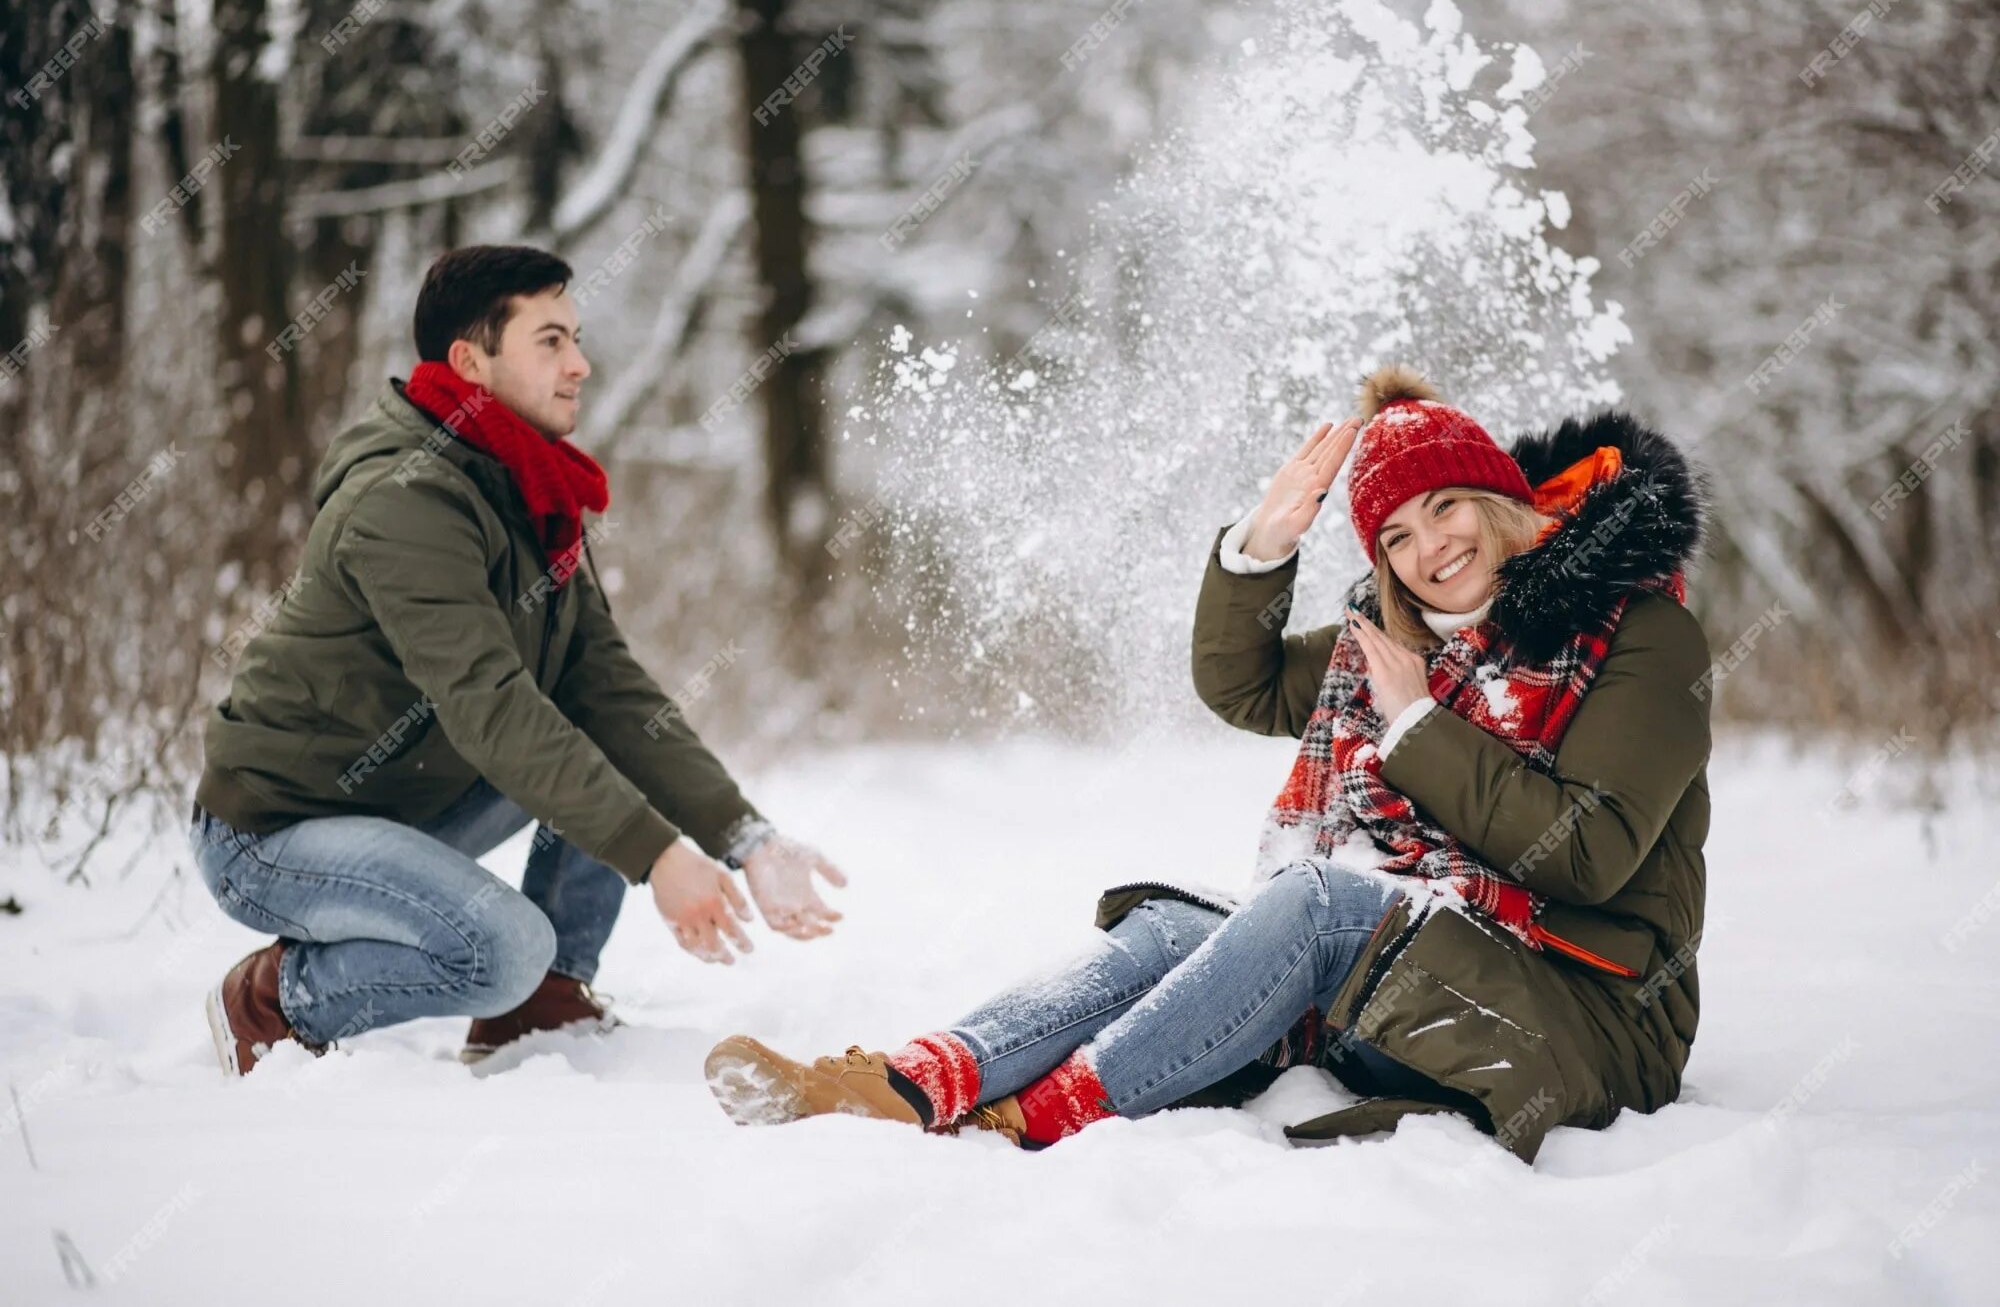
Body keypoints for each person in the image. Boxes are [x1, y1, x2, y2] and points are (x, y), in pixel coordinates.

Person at [703, 364, 1711, 1162]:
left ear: (1495, 496)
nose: (1426, 548)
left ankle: (1039, 1120)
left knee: (1317, 903)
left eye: (1444, 507)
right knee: (1172, 929)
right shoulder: (1405, 641)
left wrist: (1416, 732)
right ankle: (916, 1079)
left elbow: (1587, 856)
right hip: (1436, 976)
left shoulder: (1642, 636)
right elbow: (1245, 683)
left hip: (1588, 1021)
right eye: (1394, 535)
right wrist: (1264, 542)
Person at [191, 245, 846, 1076]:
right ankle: (273, 999)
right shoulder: (404, 497)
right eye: (550, 341)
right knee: (501, 949)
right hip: (275, 832)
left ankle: (543, 1008)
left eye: (575, 336)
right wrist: (654, 852)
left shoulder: (528, 485)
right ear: (471, 361)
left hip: (397, 801)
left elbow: (605, 687)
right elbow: (491, 707)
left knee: (604, 741)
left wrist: (744, 837)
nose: (581, 363)